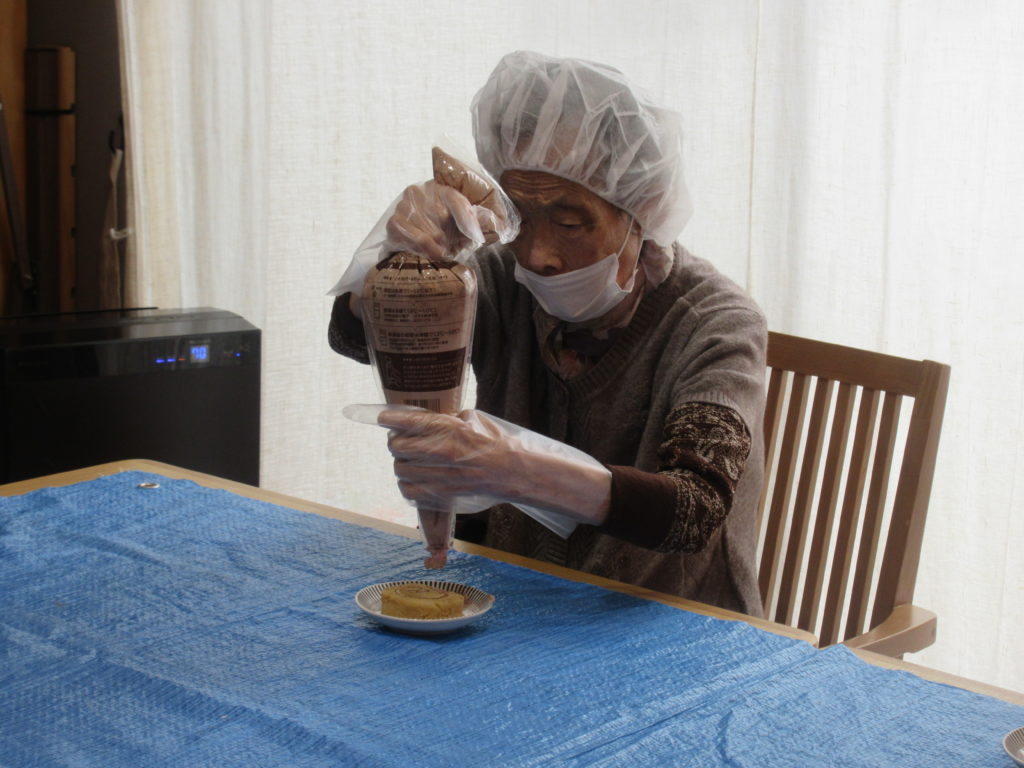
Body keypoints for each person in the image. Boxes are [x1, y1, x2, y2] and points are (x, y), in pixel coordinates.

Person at [328, 51, 767, 616]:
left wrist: (515, 466)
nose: (538, 255)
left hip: (673, 625)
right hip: (523, 602)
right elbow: (352, 337)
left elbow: (693, 510)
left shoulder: (713, 321)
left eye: (569, 222)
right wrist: (403, 259)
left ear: (643, 211)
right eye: (521, 218)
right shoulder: (502, 280)